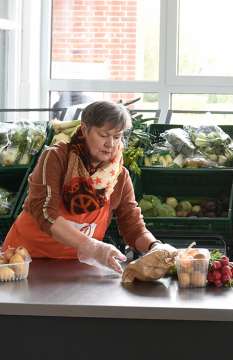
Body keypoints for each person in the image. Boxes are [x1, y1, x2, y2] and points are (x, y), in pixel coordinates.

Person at [2, 101, 174, 273]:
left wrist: (155, 246)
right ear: (84, 130)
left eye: (117, 137)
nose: (110, 144)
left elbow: (133, 226)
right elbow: (45, 212)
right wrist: (92, 246)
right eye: (103, 135)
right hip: (24, 263)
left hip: (77, 268)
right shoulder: (56, 157)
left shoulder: (119, 176)